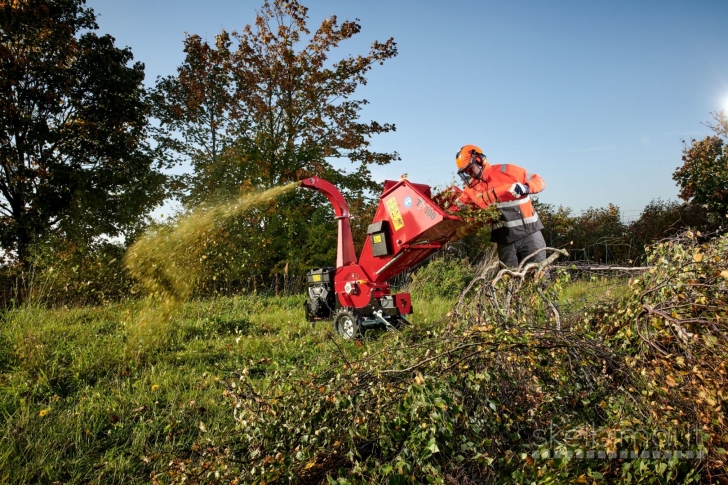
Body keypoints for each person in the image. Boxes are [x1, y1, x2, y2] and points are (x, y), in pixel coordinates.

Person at [452, 144, 548, 268]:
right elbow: (457, 208)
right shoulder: (471, 189)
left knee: (539, 276)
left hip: (529, 235)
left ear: (479, 160)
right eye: (466, 172)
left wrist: (526, 187)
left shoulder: (507, 170)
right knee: (509, 281)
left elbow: (539, 181)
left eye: (471, 169)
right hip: (504, 242)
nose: (470, 174)